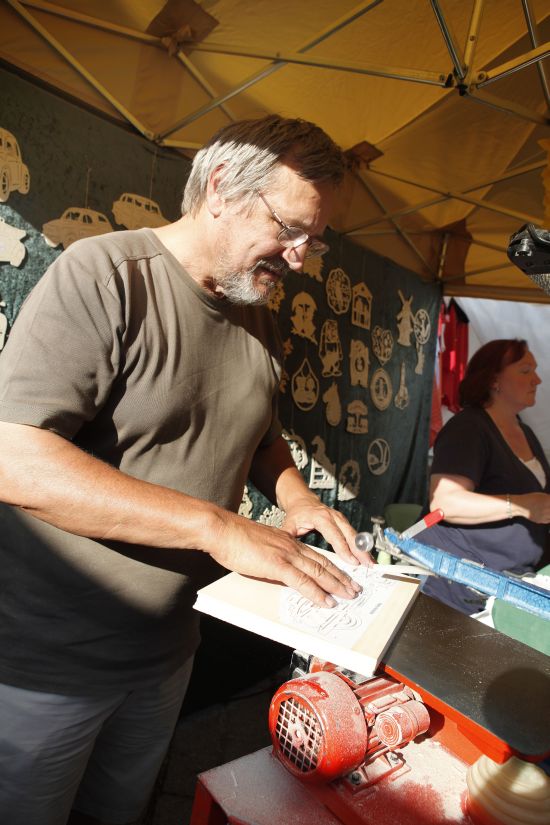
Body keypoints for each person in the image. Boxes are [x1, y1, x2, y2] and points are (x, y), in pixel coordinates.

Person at [0, 114, 371, 825]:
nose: (299, 258)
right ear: (222, 188)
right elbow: (14, 457)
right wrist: (217, 527)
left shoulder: (257, 314)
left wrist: (297, 499)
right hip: (47, 666)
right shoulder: (105, 275)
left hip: (168, 655)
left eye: (315, 240)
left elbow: (261, 437)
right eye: (290, 229)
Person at [419, 338, 550, 615]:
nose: (537, 379)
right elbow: (445, 503)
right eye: (526, 370)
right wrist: (522, 505)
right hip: (451, 588)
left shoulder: (525, 432)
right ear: (493, 380)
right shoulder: (469, 427)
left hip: (502, 586)